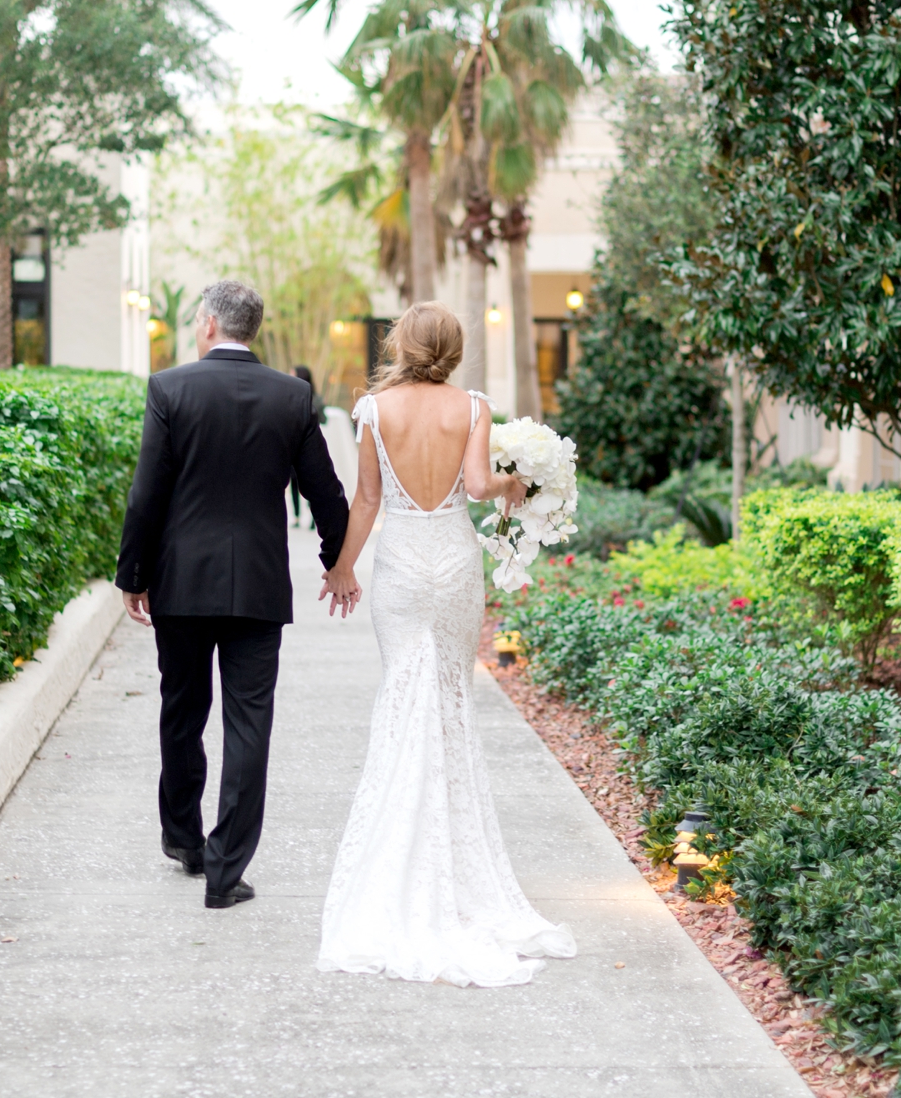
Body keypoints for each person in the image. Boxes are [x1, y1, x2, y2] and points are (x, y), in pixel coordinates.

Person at [315, 302, 577, 986]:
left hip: (403, 565)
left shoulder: (373, 411)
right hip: (455, 563)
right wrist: (518, 484)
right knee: (451, 698)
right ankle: (454, 866)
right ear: (455, 350)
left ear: (401, 344)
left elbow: (366, 500)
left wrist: (342, 568)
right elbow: (479, 487)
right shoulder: (474, 406)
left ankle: (399, 857)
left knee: (404, 691)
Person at [114, 280, 352, 910]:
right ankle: (225, 873)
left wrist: (133, 574)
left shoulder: (169, 388)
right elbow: (326, 492)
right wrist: (337, 563)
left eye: (198, 319)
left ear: (210, 324)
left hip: (182, 584)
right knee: (249, 725)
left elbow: (146, 493)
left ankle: (184, 839)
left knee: (182, 713)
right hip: (258, 585)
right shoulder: (291, 395)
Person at [289, 364, 320, 527]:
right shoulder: (289, 396)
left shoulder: (312, 398)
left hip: (307, 446)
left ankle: (311, 516)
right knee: (295, 483)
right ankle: (297, 516)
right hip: (294, 445)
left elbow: (323, 418)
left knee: (308, 483)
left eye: (292, 374)